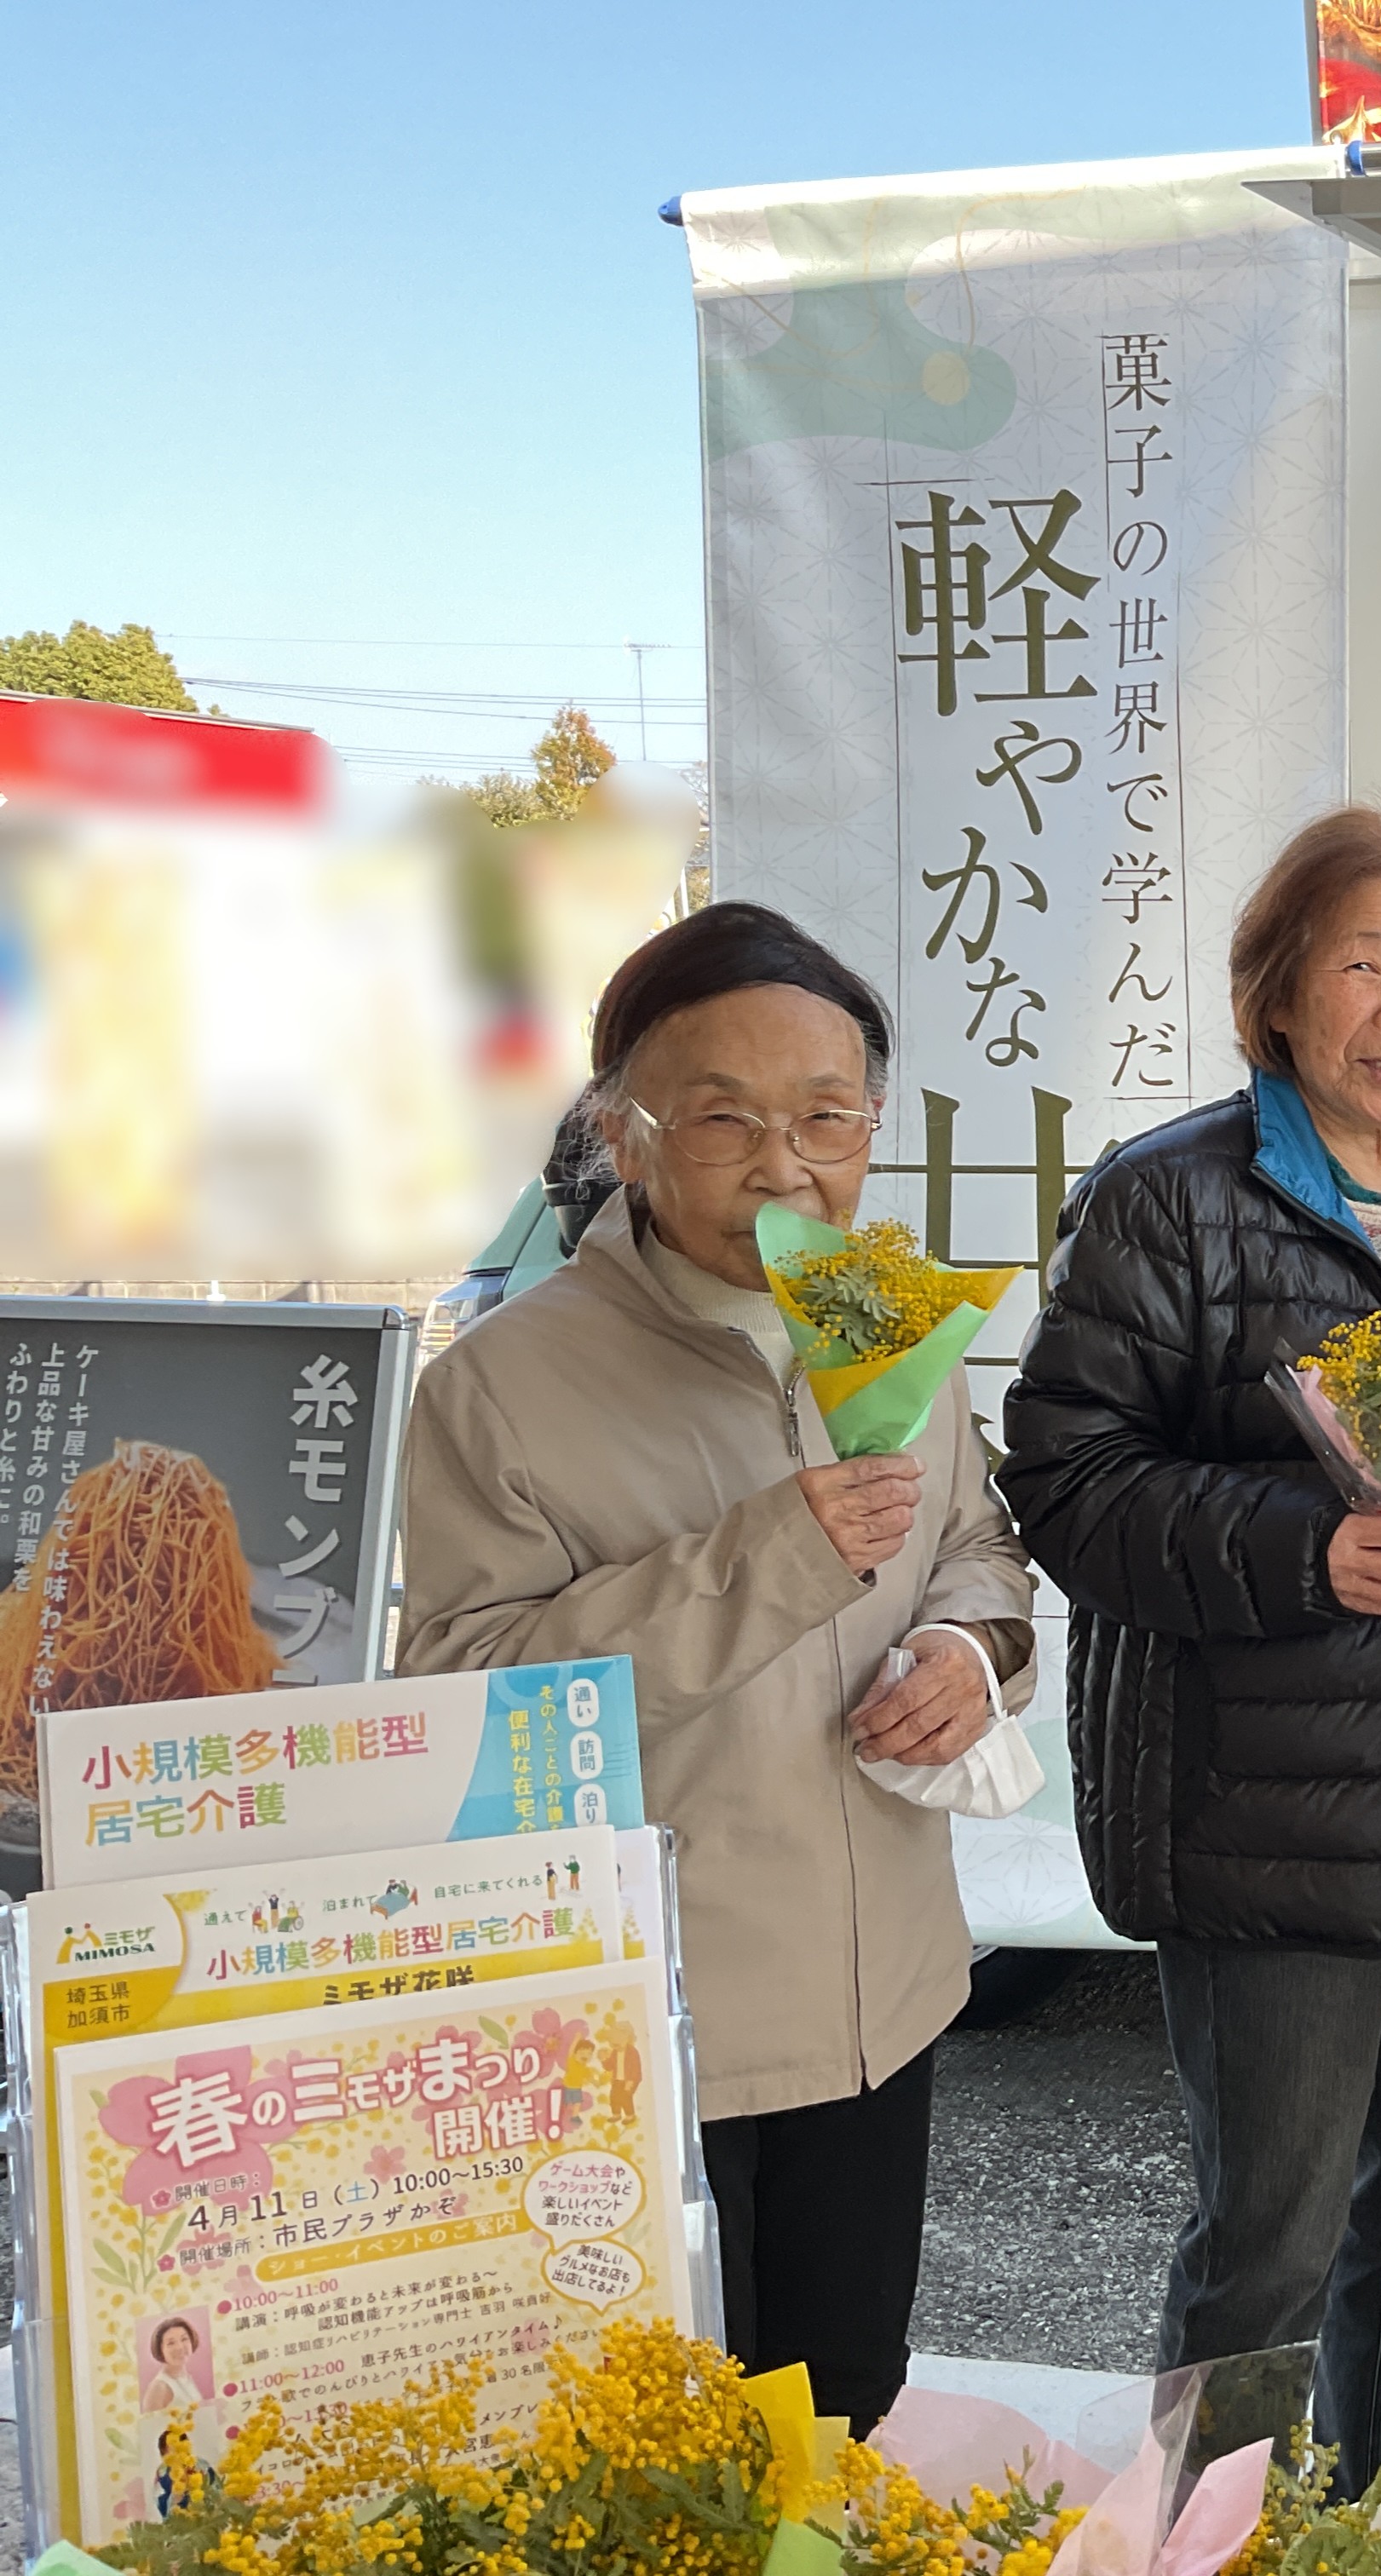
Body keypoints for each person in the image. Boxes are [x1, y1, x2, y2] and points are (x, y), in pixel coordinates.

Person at [999, 807, 1381, 2499]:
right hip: (1261, 1806)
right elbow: (1065, 1478)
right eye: (1364, 961)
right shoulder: (1172, 1202)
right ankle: (1206, 2540)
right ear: (1279, 995)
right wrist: (1304, 1548)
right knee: (1268, 2240)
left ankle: (1362, 2515)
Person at [401, 903, 1035, 2435]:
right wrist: (765, 1558)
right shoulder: (499, 1384)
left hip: (882, 1987)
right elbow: (474, 1700)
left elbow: (979, 1544)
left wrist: (967, 1646)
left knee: (842, 2407)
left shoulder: (879, 1308)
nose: (785, 1163)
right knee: (672, 2451)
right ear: (625, 1133)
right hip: (649, 2019)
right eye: (723, 1117)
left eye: (827, 1115)